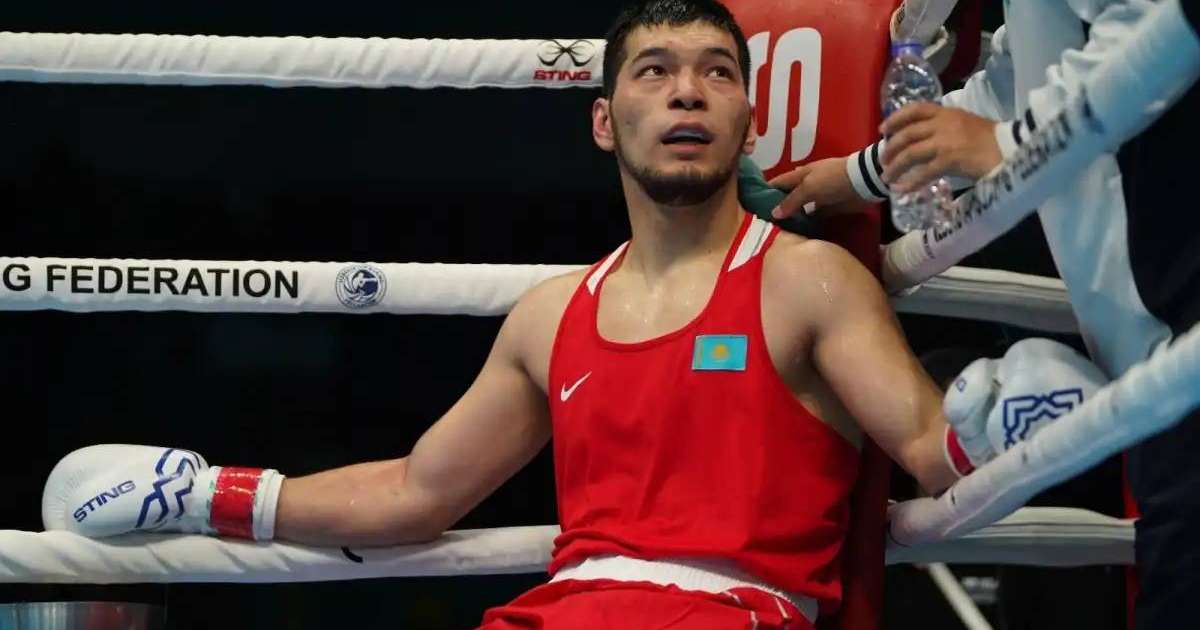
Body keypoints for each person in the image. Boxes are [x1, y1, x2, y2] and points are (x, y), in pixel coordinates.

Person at [37, 1, 1108, 628]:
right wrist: (216, 495)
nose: (686, 92)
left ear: (746, 116)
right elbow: (418, 492)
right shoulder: (553, 317)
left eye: (714, 74)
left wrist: (1006, 427)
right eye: (656, 72)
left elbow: (928, 445)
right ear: (606, 120)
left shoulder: (805, 279)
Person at [763, 1, 1200, 627]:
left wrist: (1004, 145)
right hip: (1148, 334)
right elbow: (1018, 85)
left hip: (1178, 299)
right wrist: (861, 175)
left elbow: (1159, 30)